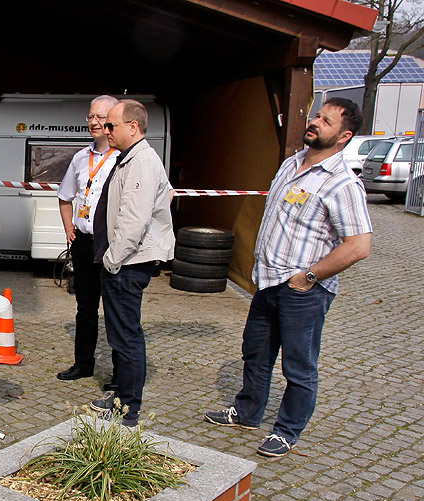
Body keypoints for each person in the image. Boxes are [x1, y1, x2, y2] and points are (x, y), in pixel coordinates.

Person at [204, 97, 372, 458]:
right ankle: (247, 412)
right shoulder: (291, 164)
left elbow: (359, 246)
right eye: (316, 115)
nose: (315, 122)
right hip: (269, 283)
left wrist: (309, 276)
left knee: (299, 367)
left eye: (326, 121)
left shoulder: (342, 183)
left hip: (303, 291)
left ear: (344, 136)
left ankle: (286, 431)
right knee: (255, 353)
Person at [90, 99, 175, 427]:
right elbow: (166, 194)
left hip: (126, 264)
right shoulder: (131, 158)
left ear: (133, 127)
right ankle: (121, 396)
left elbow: (133, 220)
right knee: (120, 335)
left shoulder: (141, 162)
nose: (105, 130)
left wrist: (112, 260)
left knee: (126, 337)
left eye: (111, 125)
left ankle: (128, 409)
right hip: (123, 262)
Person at [56, 95, 120, 391]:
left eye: (100, 117)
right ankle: (83, 363)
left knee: (116, 310)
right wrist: (69, 227)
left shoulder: (124, 157)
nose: (94, 122)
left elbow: (164, 194)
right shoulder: (81, 157)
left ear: (113, 120)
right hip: (84, 243)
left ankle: (120, 374)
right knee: (85, 307)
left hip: (113, 244)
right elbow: (64, 196)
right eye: (90, 117)